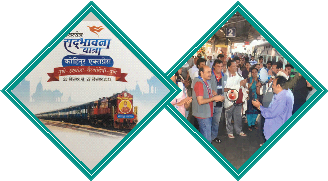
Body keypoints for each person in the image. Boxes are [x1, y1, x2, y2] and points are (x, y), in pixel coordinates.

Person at [252, 76, 293, 140]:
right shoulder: (285, 94)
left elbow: (271, 113)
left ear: (278, 86)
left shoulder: (281, 99)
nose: (272, 86)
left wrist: (259, 106)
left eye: (273, 85)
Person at [192, 66, 225, 143]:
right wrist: (214, 99)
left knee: (205, 135)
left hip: (207, 113)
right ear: (201, 73)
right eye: (208, 72)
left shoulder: (206, 82)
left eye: (210, 72)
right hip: (203, 115)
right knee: (207, 139)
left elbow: (207, 96)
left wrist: (215, 97)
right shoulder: (199, 84)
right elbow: (200, 101)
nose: (210, 74)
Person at [223, 60, 248, 138]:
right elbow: (225, 89)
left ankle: (239, 130)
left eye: (236, 66)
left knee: (238, 116)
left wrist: (244, 86)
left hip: (238, 99)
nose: (235, 68)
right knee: (229, 117)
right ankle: (229, 131)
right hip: (229, 100)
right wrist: (238, 85)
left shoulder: (239, 75)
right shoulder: (225, 76)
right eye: (233, 66)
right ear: (229, 67)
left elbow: (244, 85)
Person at [210, 60, 225, 143]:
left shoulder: (224, 76)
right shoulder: (209, 75)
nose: (220, 68)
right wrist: (211, 91)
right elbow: (205, 86)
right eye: (218, 66)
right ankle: (207, 137)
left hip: (220, 103)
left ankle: (213, 136)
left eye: (221, 66)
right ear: (214, 67)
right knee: (208, 121)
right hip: (211, 102)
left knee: (216, 122)